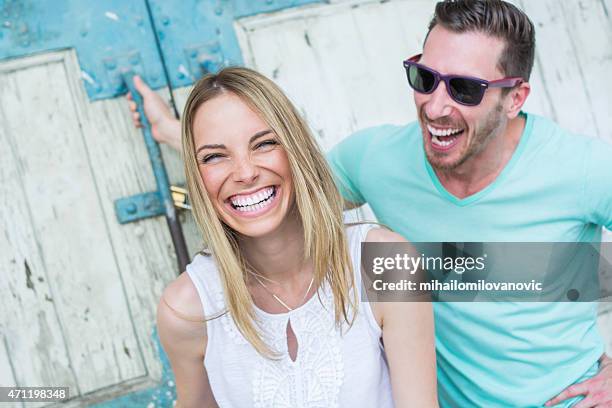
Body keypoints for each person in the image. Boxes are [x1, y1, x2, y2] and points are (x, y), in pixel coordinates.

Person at [127, 2, 612, 405]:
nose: (437, 106)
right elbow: (276, 194)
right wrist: (176, 132)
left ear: (515, 97)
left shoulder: (584, 169)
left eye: (465, 89)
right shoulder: (376, 159)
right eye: (425, 79)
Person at [151, 67, 437, 407]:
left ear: (296, 150)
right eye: (215, 156)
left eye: (265, 144)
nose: (245, 173)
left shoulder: (385, 264)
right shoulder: (186, 310)